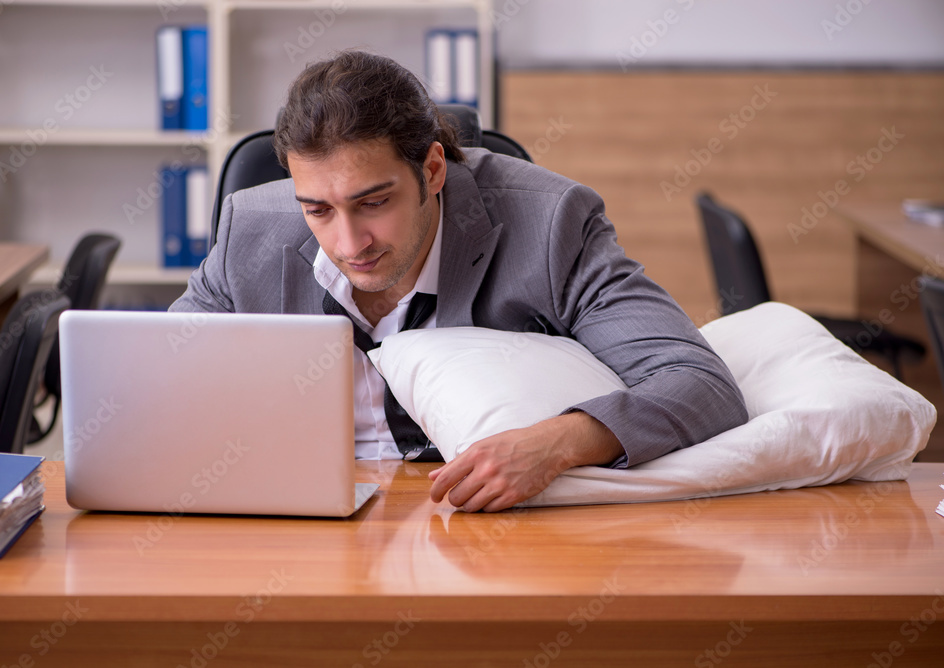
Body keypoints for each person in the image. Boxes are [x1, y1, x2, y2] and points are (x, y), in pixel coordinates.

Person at [170, 51, 748, 512]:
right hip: (295, 519)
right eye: (318, 210)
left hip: (473, 521)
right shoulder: (248, 232)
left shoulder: (551, 225)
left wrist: (555, 443)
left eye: (373, 203)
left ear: (433, 169)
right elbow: (161, 382)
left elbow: (698, 383)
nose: (349, 244)